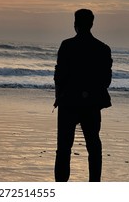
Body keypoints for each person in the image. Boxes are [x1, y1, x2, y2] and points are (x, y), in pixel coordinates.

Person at [53, 9, 112, 182]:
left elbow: (59, 76)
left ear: (75, 24)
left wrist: (58, 97)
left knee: (63, 148)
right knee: (94, 145)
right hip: (92, 103)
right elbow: (106, 80)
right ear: (92, 24)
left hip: (68, 102)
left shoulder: (67, 45)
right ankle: (94, 184)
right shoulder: (103, 48)